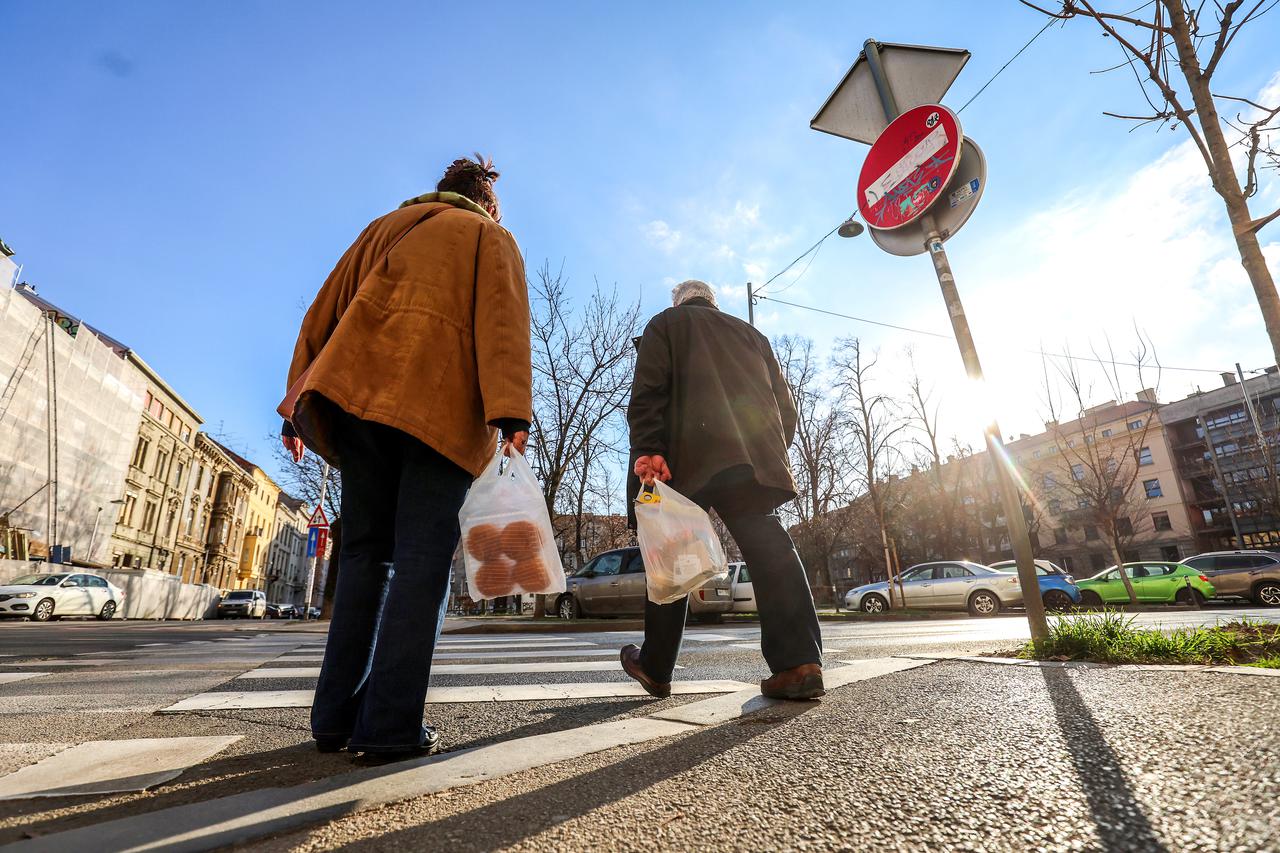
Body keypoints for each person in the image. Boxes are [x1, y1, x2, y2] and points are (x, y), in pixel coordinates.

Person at [280, 155, 532, 761]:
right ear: (487, 202)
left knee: (364, 555)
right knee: (421, 559)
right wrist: (511, 413)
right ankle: (389, 724)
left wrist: (296, 401)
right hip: (437, 409)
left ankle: (334, 718)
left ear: (439, 191)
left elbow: (323, 312)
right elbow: (502, 325)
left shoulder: (382, 228)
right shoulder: (488, 236)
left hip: (356, 402)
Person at [620, 279, 824, 701]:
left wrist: (648, 448)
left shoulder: (666, 324)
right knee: (769, 544)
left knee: (671, 552)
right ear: (714, 303)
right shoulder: (752, 335)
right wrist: (770, 451)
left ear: (679, 301)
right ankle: (799, 662)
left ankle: (656, 667)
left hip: (685, 454)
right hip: (750, 456)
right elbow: (786, 406)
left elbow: (648, 393)